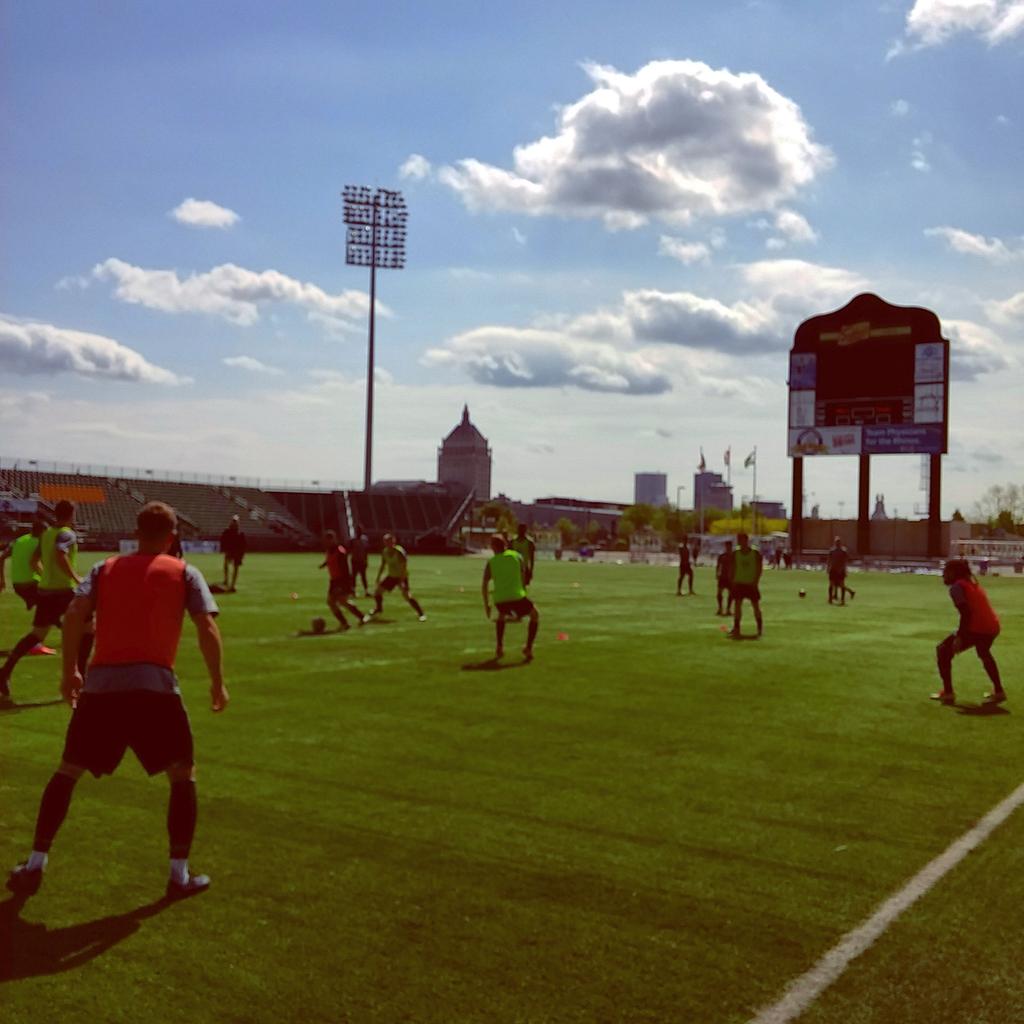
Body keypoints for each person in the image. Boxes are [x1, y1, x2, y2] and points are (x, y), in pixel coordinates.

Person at [6, 501, 229, 900]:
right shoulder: (184, 572)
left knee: (68, 770)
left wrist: (70, 671)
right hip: (155, 689)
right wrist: (217, 682)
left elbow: (75, 613)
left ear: (137, 531)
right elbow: (207, 627)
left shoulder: (104, 568)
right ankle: (178, 875)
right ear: (172, 534)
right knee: (182, 773)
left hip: (102, 688)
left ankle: (35, 863)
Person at [0, 502, 89, 700]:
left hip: (45, 591)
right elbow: (60, 554)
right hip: (63, 591)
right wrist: (76, 578)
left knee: (38, 634)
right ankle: (82, 678)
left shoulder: (46, 534)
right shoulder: (67, 534)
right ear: (72, 514)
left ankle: (4, 672)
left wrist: (46, 575)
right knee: (88, 629)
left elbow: (34, 561)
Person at [931, 559, 1005, 705]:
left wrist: (960, 637)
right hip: (992, 626)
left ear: (954, 573)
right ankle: (999, 691)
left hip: (977, 628)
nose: (944, 574)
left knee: (942, 650)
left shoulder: (957, 588)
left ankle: (948, 692)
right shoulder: (972, 584)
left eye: (947, 571)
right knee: (983, 652)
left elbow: (966, 614)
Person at [0, 519, 55, 657]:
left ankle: (39, 639)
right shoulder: (40, 543)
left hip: (18, 585)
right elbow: (35, 564)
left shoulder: (19, 540)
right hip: (31, 583)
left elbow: (1, 557)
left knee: (47, 608)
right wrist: (47, 578)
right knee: (50, 606)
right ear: (42, 532)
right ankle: (36, 644)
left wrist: (2, 579)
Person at [482, 534, 539, 661]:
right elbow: (523, 575)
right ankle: (528, 648)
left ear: (493, 547)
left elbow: (484, 584)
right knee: (535, 615)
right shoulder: (516, 556)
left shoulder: (491, 562)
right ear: (505, 544)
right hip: (516, 596)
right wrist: (523, 590)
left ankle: (499, 647)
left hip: (500, 600)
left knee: (501, 616)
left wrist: (487, 605)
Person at [319, 530, 370, 630]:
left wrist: (344, 585)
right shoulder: (329, 550)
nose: (325, 542)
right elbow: (329, 560)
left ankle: (348, 622)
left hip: (341, 580)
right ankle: (358, 618)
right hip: (333, 580)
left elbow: (345, 569)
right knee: (339, 602)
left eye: (327, 540)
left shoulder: (340, 552)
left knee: (336, 601)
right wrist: (324, 564)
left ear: (333, 540)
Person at [371, 533, 425, 620]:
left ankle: (421, 614)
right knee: (377, 592)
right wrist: (378, 577)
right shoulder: (385, 551)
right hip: (392, 576)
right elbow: (383, 565)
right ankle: (378, 609)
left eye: (389, 541)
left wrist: (402, 579)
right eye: (385, 541)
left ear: (393, 541)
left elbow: (404, 566)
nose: (387, 543)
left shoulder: (399, 551)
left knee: (407, 596)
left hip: (401, 576)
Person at [728, 532, 763, 638]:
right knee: (737, 606)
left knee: (756, 606)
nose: (741, 542)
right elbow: (732, 568)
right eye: (739, 540)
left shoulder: (755, 553)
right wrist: (732, 581)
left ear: (747, 540)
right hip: (739, 583)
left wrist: (756, 581)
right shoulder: (735, 553)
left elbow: (759, 568)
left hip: (751, 584)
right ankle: (736, 628)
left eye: (742, 540)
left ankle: (760, 628)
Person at [220, 515, 247, 591]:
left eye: (236, 521)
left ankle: (233, 585)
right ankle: (226, 580)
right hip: (229, 551)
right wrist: (225, 550)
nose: (234, 523)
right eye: (233, 521)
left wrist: (242, 555)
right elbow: (223, 540)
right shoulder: (227, 531)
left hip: (237, 552)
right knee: (226, 565)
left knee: (236, 568)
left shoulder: (240, 533)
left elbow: (243, 545)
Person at [826, 537, 855, 605]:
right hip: (833, 570)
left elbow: (845, 561)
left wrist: (844, 569)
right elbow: (829, 560)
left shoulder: (843, 551)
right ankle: (830, 599)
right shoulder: (832, 551)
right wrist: (828, 568)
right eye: (836, 542)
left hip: (840, 570)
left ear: (840, 543)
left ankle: (842, 600)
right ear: (835, 543)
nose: (838, 543)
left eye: (838, 542)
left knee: (841, 585)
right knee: (831, 584)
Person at [349, 524, 370, 597]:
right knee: (354, 577)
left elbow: (366, 550)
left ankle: (366, 591)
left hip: (361, 560)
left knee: (363, 576)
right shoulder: (353, 540)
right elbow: (349, 549)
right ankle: (353, 591)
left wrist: (366, 559)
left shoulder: (364, 539)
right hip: (355, 560)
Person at [715, 540, 735, 617]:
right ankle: (720, 608)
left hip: (730, 578)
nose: (728, 548)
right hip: (722, 577)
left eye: (729, 546)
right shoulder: (722, 556)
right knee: (719, 593)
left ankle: (728, 609)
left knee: (731, 594)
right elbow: (718, 565)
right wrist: (717, 573)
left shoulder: (734, 556)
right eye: (727, 546)